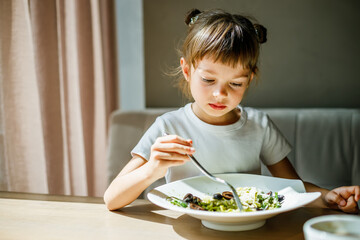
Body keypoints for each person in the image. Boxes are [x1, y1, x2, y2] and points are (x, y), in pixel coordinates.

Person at [104, 9, 360, 212]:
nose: (220, 94)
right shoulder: (168, 127)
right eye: (208, 80)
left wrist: (329, 197)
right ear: (187, 70)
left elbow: (291, 189)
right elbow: (112, 198)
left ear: (250, 78)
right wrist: (153, 170)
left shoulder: (259, 125)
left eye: (235, 83)